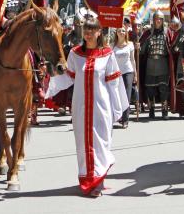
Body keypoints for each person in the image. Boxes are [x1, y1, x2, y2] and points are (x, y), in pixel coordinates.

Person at [45, 17, 129, 197]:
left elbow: (114, 83)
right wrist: (49, 82)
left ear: (100, 32)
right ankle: (88, 180)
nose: (89, 34)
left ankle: (98, 181)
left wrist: (117, 108)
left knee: (101, 144)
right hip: (81, 108)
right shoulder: (75, 54)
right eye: (86, 30)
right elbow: (68, 77)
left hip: (101, 108)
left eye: (92, 30)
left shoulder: (107, 54)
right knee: (83, 144)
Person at [139, 10, 177, 120]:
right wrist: (138, 47)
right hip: (150, 64)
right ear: (153, 20)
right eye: (156, 19)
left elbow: (172, 46)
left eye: (160, 19)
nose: (158, 21)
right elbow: (142, 51)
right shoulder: (147, 33)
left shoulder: (167, 32)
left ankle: (165, 111)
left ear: (163, 20)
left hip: (163, 63)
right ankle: (151, 111)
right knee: (150, 89)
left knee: (163, 89)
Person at [113, 27, 137, 128]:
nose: (121, 32)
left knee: (126, 95)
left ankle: (125, 120)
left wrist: (135, 74)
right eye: (119, 31)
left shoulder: (130, 44)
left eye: (123, 31)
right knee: (118, 96)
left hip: (128, 72)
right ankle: (119, 117)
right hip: (117, 73)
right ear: (116, 33)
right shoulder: (112, 46)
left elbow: (132, 60)